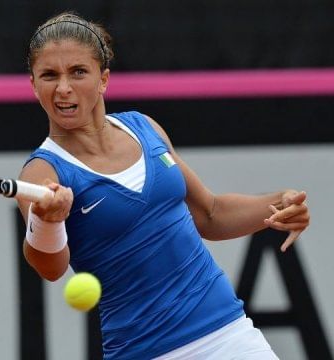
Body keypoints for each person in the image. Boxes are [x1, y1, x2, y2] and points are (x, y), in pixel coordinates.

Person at [17, 12, 310, 360]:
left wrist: (280, 203)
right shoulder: (42, 172)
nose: (63, 88)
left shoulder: (144, 128)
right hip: (145, 352)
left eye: (78, 71)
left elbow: (210, 214)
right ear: (34, 85)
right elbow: (49, 268)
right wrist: (48, 222)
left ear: (103, 79)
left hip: (232, 335)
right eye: (49, 75)